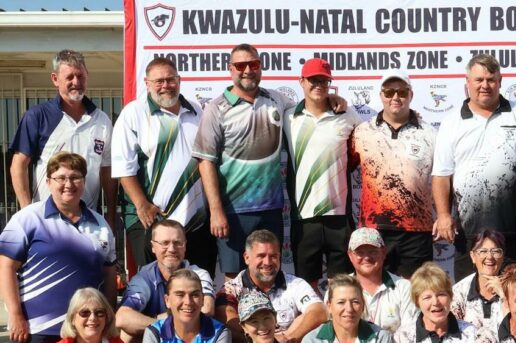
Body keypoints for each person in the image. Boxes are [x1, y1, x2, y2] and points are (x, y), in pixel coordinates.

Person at [193, 44, 345, 278]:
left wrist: (331, 97)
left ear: (261, 67)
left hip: (271, 210)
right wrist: (216, 210)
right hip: (233, 211)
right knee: (234, 279)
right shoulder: (216, 108)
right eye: (240, 65)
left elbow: (310, 108)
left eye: (253, 64)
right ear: (230, 69)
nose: (247, 70)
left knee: (268, 275)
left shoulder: (277, 100)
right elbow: (205, 161)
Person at [0, 151, 116, 343]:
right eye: (61, 178)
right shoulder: (27, 218)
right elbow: (6, 267)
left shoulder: (100, 225)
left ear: (84, 182)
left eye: (76, 177)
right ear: (48, 181)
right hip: (36, 329)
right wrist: (14, 314)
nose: (69, 184)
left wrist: (110, 320)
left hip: (83, 335)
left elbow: (108, 275)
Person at [432, 53, 516, 280]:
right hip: (468, 231)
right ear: (467, 82)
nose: (485, 85)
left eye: (491, 80)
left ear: (500, 81)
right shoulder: (451, 122)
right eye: (479, 80)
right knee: (470, 295)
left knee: (512, 292)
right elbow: (441, 175)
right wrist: (443, 214)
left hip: (512, 229)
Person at [111, 57, 215, 274]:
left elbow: (207, 160)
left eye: (170, 80)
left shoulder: (196, 111)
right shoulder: (133, 113)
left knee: (196, 286)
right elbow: (123, 167)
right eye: (159, 81)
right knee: (155, 285)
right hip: (152, 219)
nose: (165, 86)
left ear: (179, 80)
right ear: (147, 83)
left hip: (195, 221)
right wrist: (142, 205)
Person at [9, 49, 116, 229]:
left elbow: (107, 172)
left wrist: (111, 217)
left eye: (80, 76)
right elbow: (17, 166)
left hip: (88, 223)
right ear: (55, 79)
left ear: (87, 76)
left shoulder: (102, 120)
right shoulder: (37, 116)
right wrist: (27, 213)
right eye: (70, 77)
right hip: (46, 221)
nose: (76, 82)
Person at [349, 71, 437, 277]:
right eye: (389, 92)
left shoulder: (430, 133)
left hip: (417, 231)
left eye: (401, 92)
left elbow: (443, 179)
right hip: (373, 230)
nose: (395, 97)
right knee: (375, 293)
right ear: (381, 95)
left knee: (416, 296)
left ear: (411, 95)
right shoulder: (362, 132)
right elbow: (342, 171)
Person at [284, 58, 362, 286]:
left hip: (339, 215)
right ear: (301, 82)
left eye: (324, 81)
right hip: (304, 216)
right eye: (313, 80)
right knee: (306, 286)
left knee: (342, 284)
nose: (318, 85)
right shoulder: (289, 116)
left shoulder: (348, 115)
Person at [116, 220, 215, 343]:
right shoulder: (144, 277)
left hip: (193, 341)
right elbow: (122, 317)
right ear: (152, 246)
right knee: (127, 334)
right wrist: (162, 324)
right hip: (158, 340)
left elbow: (207, 309)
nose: (172, 249)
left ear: (185, 246)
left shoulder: (199, 274)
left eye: (177, 243)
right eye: (165, 243)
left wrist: (164, 319)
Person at [216, 229, 327, 343]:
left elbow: (320, 312)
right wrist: (268, 342)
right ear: (246, 258)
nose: (267, 262)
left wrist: (288, 339)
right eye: (261, 256)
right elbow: (228, 323)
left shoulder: (295, 284)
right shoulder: (231, 289)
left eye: (273, 256)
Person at [347, 227, 415, 333]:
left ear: (384, 252)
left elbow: (410, 333)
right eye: (360, 253)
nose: (366, 257)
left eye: (373, 252)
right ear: (350, 256)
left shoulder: (404, 288)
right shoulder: (338, 288)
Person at [451, 229, 508, 330]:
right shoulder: (458, 291)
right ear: (473, 256)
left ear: (502, 256)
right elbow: (453, 331)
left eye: (495, 251)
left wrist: (503, 294)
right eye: (483, 251)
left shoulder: (514, 288)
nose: (489, 257)